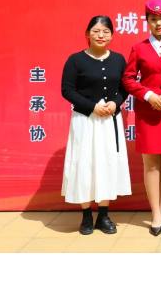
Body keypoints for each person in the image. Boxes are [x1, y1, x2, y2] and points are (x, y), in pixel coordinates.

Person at [61, 15, 131, 235]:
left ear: (112, 35)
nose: (101, 35)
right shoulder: (75, 60)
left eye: (106, 32)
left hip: (110, 120)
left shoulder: (118, 60)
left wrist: (116, 102)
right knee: (85, 164)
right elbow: (67, 90)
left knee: (107, 164)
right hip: (85, 120)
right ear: (87, 34)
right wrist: (92, 107)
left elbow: (125, 88)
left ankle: (103, 215)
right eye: (96, 31)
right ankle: (86, 216)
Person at [122, 0, 161, 236]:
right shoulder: (139, 48)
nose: (158, 23)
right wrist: (148, 95)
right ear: (147, 21)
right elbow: (128, 79)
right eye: (153, 19)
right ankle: (155, 214)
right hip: (148, 112)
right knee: (150, 163)